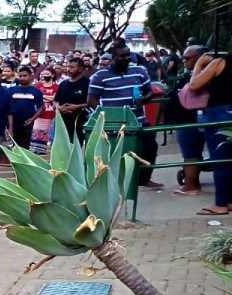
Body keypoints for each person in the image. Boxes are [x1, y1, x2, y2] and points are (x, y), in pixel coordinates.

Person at [88, 41, 161, 189]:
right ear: (113, 57)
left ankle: (144, 179)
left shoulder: (140, 71)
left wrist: (144, 99)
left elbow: (149, 91)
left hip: (139, 121)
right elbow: (91, 100)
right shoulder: (100, 76)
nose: (127, 58)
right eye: (123, 56)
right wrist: (106, 115)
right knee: (117, 154)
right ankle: (113, 182)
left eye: (129, 55)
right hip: (115, 125)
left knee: (150, 148)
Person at [188, 49, 232, 215]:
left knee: (220, 159)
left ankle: (220, 204)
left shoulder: (219, 62)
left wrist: (199, 63)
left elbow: (194, 85)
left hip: (220, 113)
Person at [171, 46, 206, 196]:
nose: (184, 61)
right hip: (191, 119)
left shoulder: (200, 76)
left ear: (200, 58)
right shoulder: (187, 75)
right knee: (194, 153)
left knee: (190, 154)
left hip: (192, 120)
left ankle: (191, 186)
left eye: (188, 58)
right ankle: (193, 183)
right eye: (183, 58)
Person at [55, 58, 91, 142]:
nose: (68, 69)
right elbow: (55, 101)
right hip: (63, 122)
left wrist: (76, 107)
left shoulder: (87, 83)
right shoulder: (63, 84)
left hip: (80, 122)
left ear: (81, 68)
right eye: (68, 67)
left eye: (72, 67)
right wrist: (59, 108)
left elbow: (91, 103)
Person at [9, 66, 44, 150]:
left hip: (27, 123)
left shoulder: (36, 91)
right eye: (20, 76)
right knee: (13, 147)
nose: (22, 78)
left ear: (30, 76)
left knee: (25, 147)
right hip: (13, 122)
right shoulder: (11, 90)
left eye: (25, 76)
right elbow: (7, 107)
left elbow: (41, 108)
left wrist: (32, 119)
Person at [31, 68, 58, 154]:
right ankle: (35, 150)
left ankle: (42, 151)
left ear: (52, 75)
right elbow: (35, 96)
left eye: (46, 73)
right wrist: (48, 98)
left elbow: (55, 98)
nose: (43, 75)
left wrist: (43, 96)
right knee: (36, 131)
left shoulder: (56, 87)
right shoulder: (37, 86)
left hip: (50, 113)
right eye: (42, 74)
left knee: (46, 132)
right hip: (38, 113)